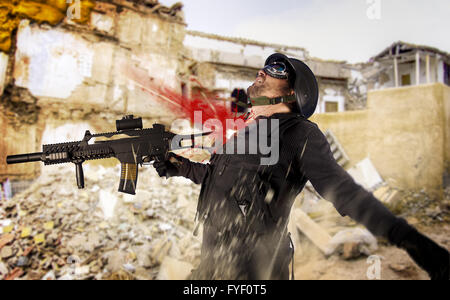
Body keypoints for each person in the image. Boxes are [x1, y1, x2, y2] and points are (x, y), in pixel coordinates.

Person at [154, 53, 450, 280]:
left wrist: (417, 245)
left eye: (276, 70)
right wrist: (179, 166)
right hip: (212, 265)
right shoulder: (244, 133)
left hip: (256, 271)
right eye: (264, 67)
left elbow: (346, 192)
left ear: (294, 93)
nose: (262, 72)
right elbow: (220, 177)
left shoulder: (300, 135)